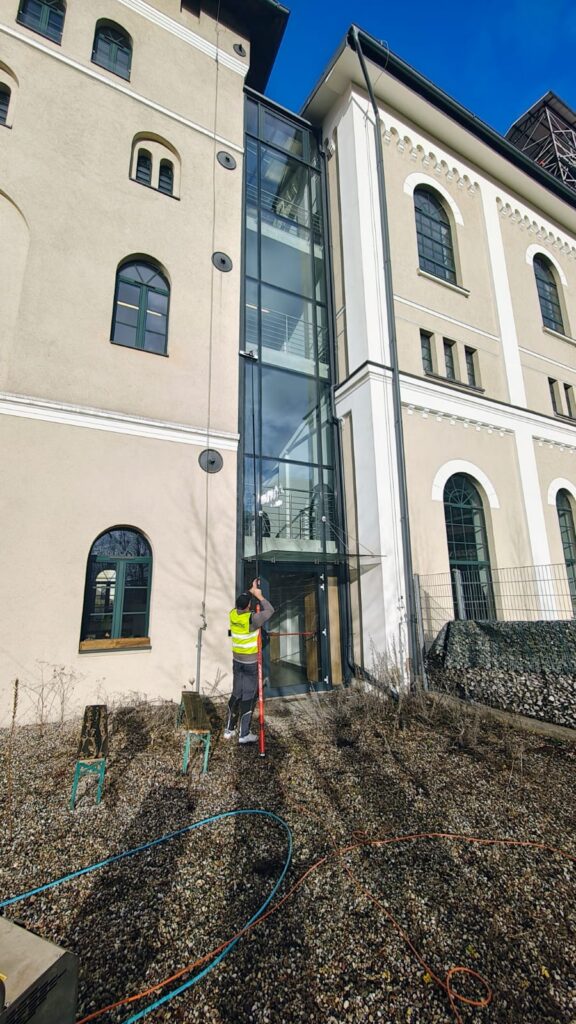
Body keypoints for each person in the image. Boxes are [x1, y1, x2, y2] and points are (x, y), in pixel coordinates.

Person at [224, 578, 274, 743]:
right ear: (248, 606)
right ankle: (244, 734)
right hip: (250, 663)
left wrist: (251, 591)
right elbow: (270, 610)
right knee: (248, 696)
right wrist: (259, 596)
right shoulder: (252, 619)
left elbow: (242, 602)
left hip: (237, 661)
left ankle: (229, 729)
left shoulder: (232, 614)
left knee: (236, 693)